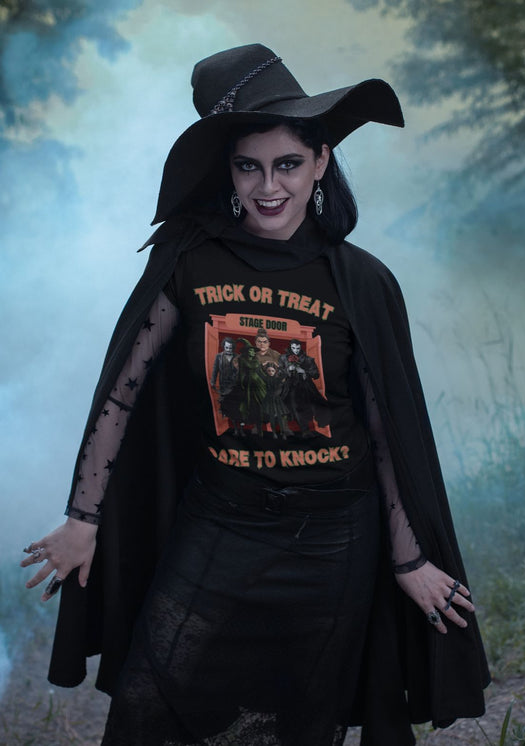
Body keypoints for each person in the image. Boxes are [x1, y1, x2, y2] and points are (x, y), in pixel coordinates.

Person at [21, 44, 490, 746]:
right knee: (149, 702)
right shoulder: (189, 260)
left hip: (335, 538)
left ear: (321, 161)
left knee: (301, 722)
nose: (269, 187)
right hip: (222, 522)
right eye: (249, 166)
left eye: (288, 164)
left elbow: (385, 429)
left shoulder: (359, 280)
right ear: (228, 170)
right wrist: (83, 518)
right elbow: (123, 392)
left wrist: (408, 559)